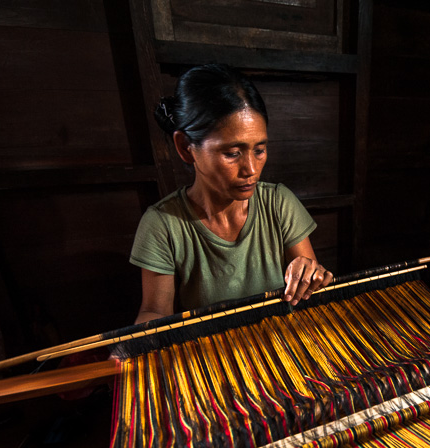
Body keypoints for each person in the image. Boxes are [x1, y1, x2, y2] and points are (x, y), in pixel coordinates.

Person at [130, 64, 333, 324]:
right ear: (185, 147)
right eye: (232, 153)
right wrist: (144, 338)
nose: (251, 169)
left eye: (259, 150)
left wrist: (310, 276)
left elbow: (307, 288)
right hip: (213, 353)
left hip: (281, 342)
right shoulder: (164, 224)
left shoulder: (279, 203)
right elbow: (156, 312)